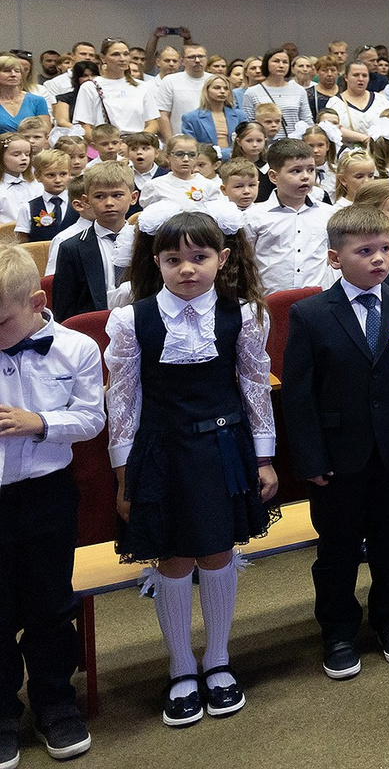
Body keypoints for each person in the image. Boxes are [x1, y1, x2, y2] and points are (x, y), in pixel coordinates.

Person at [105, 205, 277, 726]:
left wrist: (264, 458)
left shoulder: (243, 314)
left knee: (218, 551)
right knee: (174, 558)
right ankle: (181, 666)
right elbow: (123, 400)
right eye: (173, 259)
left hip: (223, 447)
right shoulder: (131, 318)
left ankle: (218, 660)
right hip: (160, 453)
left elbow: (255, 386)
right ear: (156, 262)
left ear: (221, 259)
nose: (186, 268)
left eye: (199, 257)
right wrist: (124, 475)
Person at [279, 206, 389, 681]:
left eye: (386, 248)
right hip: (337, 455)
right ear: (335, 258)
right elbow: (298, 396)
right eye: (365, 251)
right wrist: (310, 458)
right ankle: (339, 631)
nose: (379, 259)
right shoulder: (309, 314)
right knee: (338, 549)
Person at [0, 243, 104, 761]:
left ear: (38, 302)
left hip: (47, 493)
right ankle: (2, 710)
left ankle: (55, 702)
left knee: (50, 603)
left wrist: (40, 422)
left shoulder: (76, 348)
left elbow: (91, 418)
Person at [244, 139, 331, 294]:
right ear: (273, 176)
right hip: (270, 300)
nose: (305, 177)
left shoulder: (328, 214)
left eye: (311, 170)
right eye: (296, 171)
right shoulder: (254, 217)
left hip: (316, 300)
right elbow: (245, 262)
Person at [51, 162, 134, 321]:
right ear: (86, 201)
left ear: (133, 197)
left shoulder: (147, 243)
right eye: (99, 196)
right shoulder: (72, 248)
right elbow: (64, 309)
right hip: (93, 327)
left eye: (117, 195)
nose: (109, 203)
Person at [73, 40, 162, 136]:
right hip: (105, 141)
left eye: (126, 54)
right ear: (103, 58)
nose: (122, 59)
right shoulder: (90, 87)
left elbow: (153, 123)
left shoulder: (142, 86)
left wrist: (137, 141)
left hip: (138, 141)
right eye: (115, 54)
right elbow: (84, 126)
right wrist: (108, 142)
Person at [238, 50, 310, 135]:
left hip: (293, 141)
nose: (281, 65)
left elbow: (307, 120)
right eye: (276, 61)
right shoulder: (252, 92)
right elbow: (248, 124)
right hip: (265, 141)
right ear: (266, 64)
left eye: (285, 62)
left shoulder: (299, 90)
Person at [0, 54, 52, 132]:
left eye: (17, 71)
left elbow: (45, 132)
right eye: (7, 71)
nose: (13, 75)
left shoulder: (37, 101)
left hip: (31, 139)